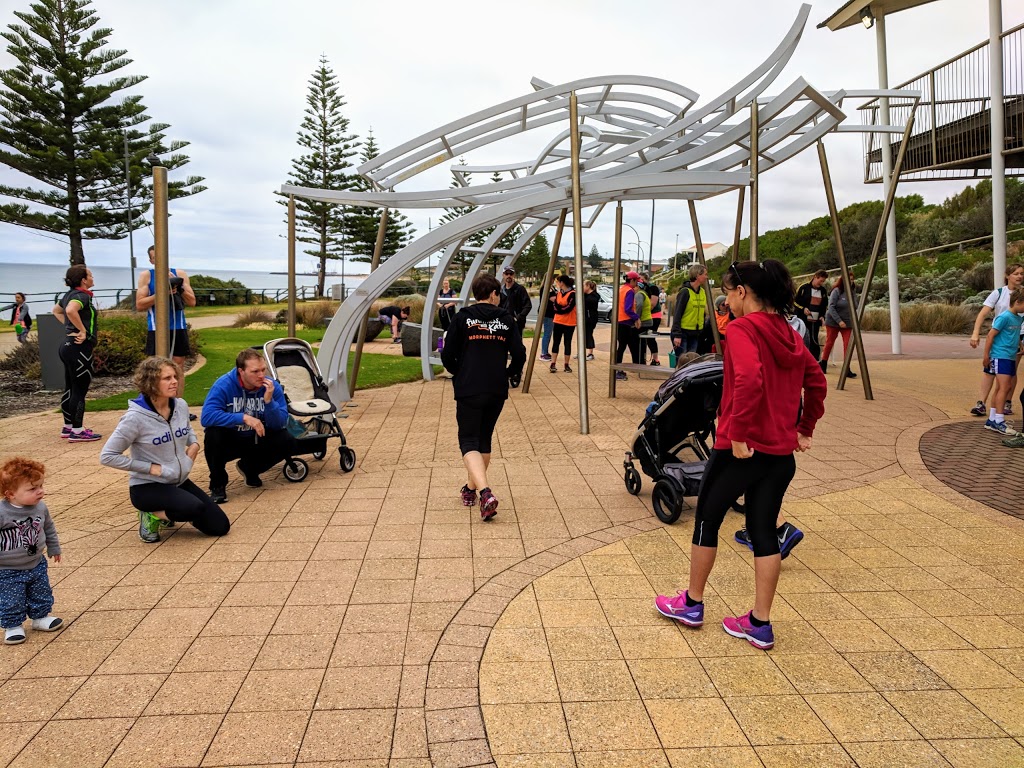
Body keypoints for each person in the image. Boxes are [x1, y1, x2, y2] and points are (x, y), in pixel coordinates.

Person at [654, 259, 827, 650]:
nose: (728, 300)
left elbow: (749, 378)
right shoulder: (789, 331)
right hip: (781, 454)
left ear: (742, 292)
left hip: (740, 448)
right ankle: (759, 623)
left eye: (730, 293)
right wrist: (805, 428)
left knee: (706, 519)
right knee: (763, 531)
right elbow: (816, 381)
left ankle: (692, 603)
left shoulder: (745, 328)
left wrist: (739, 432)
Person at [100, 357, 230, 543]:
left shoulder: (180, 406)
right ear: (151, 382)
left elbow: (187, 429)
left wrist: (194, 445)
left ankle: (168, 513)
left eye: (175, 376)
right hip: (147, 486)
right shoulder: (134, 418)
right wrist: (152, 468)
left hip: (178, 481)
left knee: (220, 526)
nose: (175, 381)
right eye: (167, 378)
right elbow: (107, 456)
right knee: (192, 508)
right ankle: (151, 515)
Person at [441, 273, 526, 521]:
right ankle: (471, 490)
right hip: (495, 388)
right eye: (499, 293)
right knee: (484, 440)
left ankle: (485, 493)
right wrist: (507, 374)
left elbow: (447, 354)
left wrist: (460, 372)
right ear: (492, 294)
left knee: (468, 441)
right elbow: (519, 354)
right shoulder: (506, 319)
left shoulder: (462, 318)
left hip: (469, 387)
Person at [200, 349, 294, 504]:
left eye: (263, 370)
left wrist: (269, 402)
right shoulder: (224, 385)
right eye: (255, 371)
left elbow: (279, 423)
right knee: (212, 434)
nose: (261, 375)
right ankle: (218, 485)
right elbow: (207, 417)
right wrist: (243, 418)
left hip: (257, 438)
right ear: (241, 371)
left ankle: (250, 468)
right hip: (232, 438)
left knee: (287, 439)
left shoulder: (272, 387)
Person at [0, 458, 63, 645]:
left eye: (41, 485)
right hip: (7, 568)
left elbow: (49, 528)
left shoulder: (41, 507)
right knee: (11, 598)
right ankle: (13, 626)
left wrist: (54, 547)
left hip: (36, 562)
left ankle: (40, 617)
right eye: (32, 489)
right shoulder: (2, 513)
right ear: (10, 494)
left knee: (41, 591)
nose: (40, 491)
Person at [52, 265, 101, 442]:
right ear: (83, 280)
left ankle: (68, 427)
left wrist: (69, 328)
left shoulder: (67, 295)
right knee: (79, 390)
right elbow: (71, 310)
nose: (92, 277)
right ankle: (78, 431)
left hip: (67, 347)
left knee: (70, 388)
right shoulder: (82, 296)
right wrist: (82, 331)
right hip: (79, 349)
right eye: (90, 275)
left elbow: (57, 310)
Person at [970, 263, 1024, 417]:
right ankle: (981, 403)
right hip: (999, 335)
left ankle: (1006, 402)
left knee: (1010, 370)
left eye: (1021, 273)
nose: (1019, 276)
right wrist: (975, 333)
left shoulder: (1023, 294)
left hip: (1017, 336)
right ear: (1008, 276)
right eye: (1016, 273)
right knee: (990, 370)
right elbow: (982, 314)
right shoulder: (999, 293)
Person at [136, 244, 196, 378]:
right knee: (157, 367)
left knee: (178, 365)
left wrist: (178, 288)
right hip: (156, 327)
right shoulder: (147, 276)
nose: (159, 260)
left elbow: (192, 301)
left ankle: (177, 399)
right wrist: (162, 293)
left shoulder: (179, 274)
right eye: (154, 258)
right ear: (151, 261)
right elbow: (140, 304)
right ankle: (158, 398)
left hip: (177, 326)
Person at [981, 288, 1024, 435]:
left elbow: (1015, 333)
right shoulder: (1004, 317)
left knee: (1001, 387)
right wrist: (986, 356)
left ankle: (993, 419)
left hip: (1010, 355)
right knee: (1004, 388)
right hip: (1001, 355)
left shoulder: (1019, 318)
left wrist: (1020, 344)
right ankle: (999, 420)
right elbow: (990, 336)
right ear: (1017, 302)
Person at [820, 272, 858, 378]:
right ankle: (823, 363)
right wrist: (839, 321)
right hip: (833, 321)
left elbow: (855, 305)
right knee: (830, 342)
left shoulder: (852, 292)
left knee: (848, 345)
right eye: (848, 279)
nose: (850, 282)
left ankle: (847, 368)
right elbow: (831, 307)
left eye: (852, 279)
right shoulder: (836, 291)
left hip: (847, 323)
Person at [672, 264, 709, 354]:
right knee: (682, 361)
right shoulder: (685, 292)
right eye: (705, 274)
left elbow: (702, 312)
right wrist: (677, 334)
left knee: (692, 361)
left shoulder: (702, 292)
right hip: (683, 332)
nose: (706, 277)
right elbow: (677, 314)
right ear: (697, 275)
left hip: (695, 333)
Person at [795, 270, 829, 360]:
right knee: (804, 340)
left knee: (814, 341)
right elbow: (794, 302)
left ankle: (814, 360)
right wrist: (803, 309)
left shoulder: (823, 291)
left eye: (823, 281)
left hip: (815, 321)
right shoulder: (803, 288)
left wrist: (822, 316)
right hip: (803, 320)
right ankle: (802, 359)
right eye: (820, 281)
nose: (821, 283)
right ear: (815, 277)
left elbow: (824, 305)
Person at [615, 271, 642, 380]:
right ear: (632, 280)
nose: (637, 284)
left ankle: (631, 366)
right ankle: (618, 370)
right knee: (624, 347)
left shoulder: (621, 289)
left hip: (620, 321)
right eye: (636, 281)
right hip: (626, 322)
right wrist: (636, 318)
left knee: (625, 346)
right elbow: (628, 308)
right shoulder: (629, 291)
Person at [550, 274, 577, 373]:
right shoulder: (559, 293)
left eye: (558, 282)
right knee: (556, 342)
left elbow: (569, 307)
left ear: (562, 283)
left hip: (569, 322)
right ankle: (553, 363)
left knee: (567, 343)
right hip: (558, 321)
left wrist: (559, 310)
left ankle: (566, 364)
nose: (557, 284)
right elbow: (555, 305)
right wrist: (559, 309)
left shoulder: (573, 293)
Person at [499, 267, 533, 332]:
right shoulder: (501, 290)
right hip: (503, 322)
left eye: (511, 274)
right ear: (503, 275)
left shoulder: (520, 289)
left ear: (514, 275)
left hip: (517, 323)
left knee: (516, 341)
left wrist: (518, 317)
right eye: (506, 273)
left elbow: (528, 305)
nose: (509, 276)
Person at [641, 274, 662, 365]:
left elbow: (652, 304)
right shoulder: (640, 289)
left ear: (646, 279)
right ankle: (642, 358)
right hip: (645, 317)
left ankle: (655, 359)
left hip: (654, 316)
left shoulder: (653, 288)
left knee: (650, 338)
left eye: (641, 279)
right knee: (643, 339)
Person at [582, 280, 599, 361]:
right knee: (583, 334)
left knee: (589, 333)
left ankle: (590, 352)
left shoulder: (594, 296)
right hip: (585, 317)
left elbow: (590, 302)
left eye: (584, 286)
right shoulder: (585, 295)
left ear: (588, 286)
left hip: (591, 318)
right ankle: (582, 351)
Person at [540, 283, 557, 361]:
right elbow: (552, 298)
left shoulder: (551, 287)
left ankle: (545, 351)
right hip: (547, 313)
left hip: (551, 313)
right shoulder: (545, 288)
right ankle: (543, 353)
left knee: (548, 333)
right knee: (547, 333)